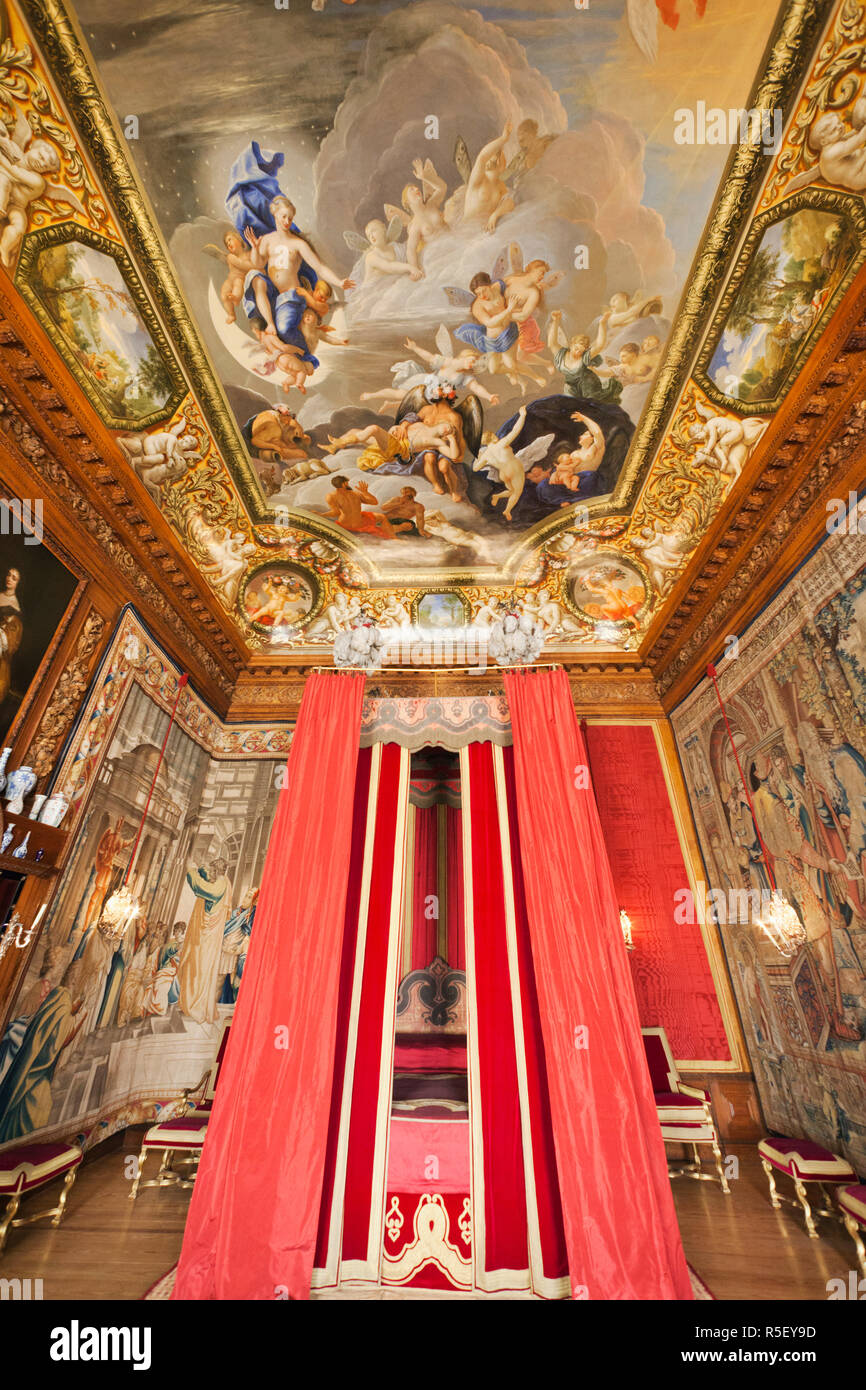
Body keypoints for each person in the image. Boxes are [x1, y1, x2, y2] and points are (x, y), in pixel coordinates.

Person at [177, 860, 233, 1025]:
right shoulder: (222, 882)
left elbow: (202, 888)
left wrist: (192, 872)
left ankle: (196, 1006)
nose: (210, 874)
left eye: (212, 871)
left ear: (217, 870)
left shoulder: (221, 884)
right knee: (196, 967)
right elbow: (206, 881)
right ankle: (190, 1003)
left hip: (207, 937)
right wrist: (201, 871)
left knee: (199, 968)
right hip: (206, 936)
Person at [547, 309, 621, 402]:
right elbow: (552, 343)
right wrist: (556, 321)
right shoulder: (562, 354)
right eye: (576, 349)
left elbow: (600, 344)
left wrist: (602, 324)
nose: (578, 352)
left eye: (581, 351)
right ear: (571, 345)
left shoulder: (584, 357)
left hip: (589, 387)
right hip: (571, 389)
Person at [0, 566, 22, 707]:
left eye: (14, 578)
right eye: (9, 575)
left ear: (18, 583)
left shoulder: (16, 610)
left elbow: (11, 645)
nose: (9, 579)